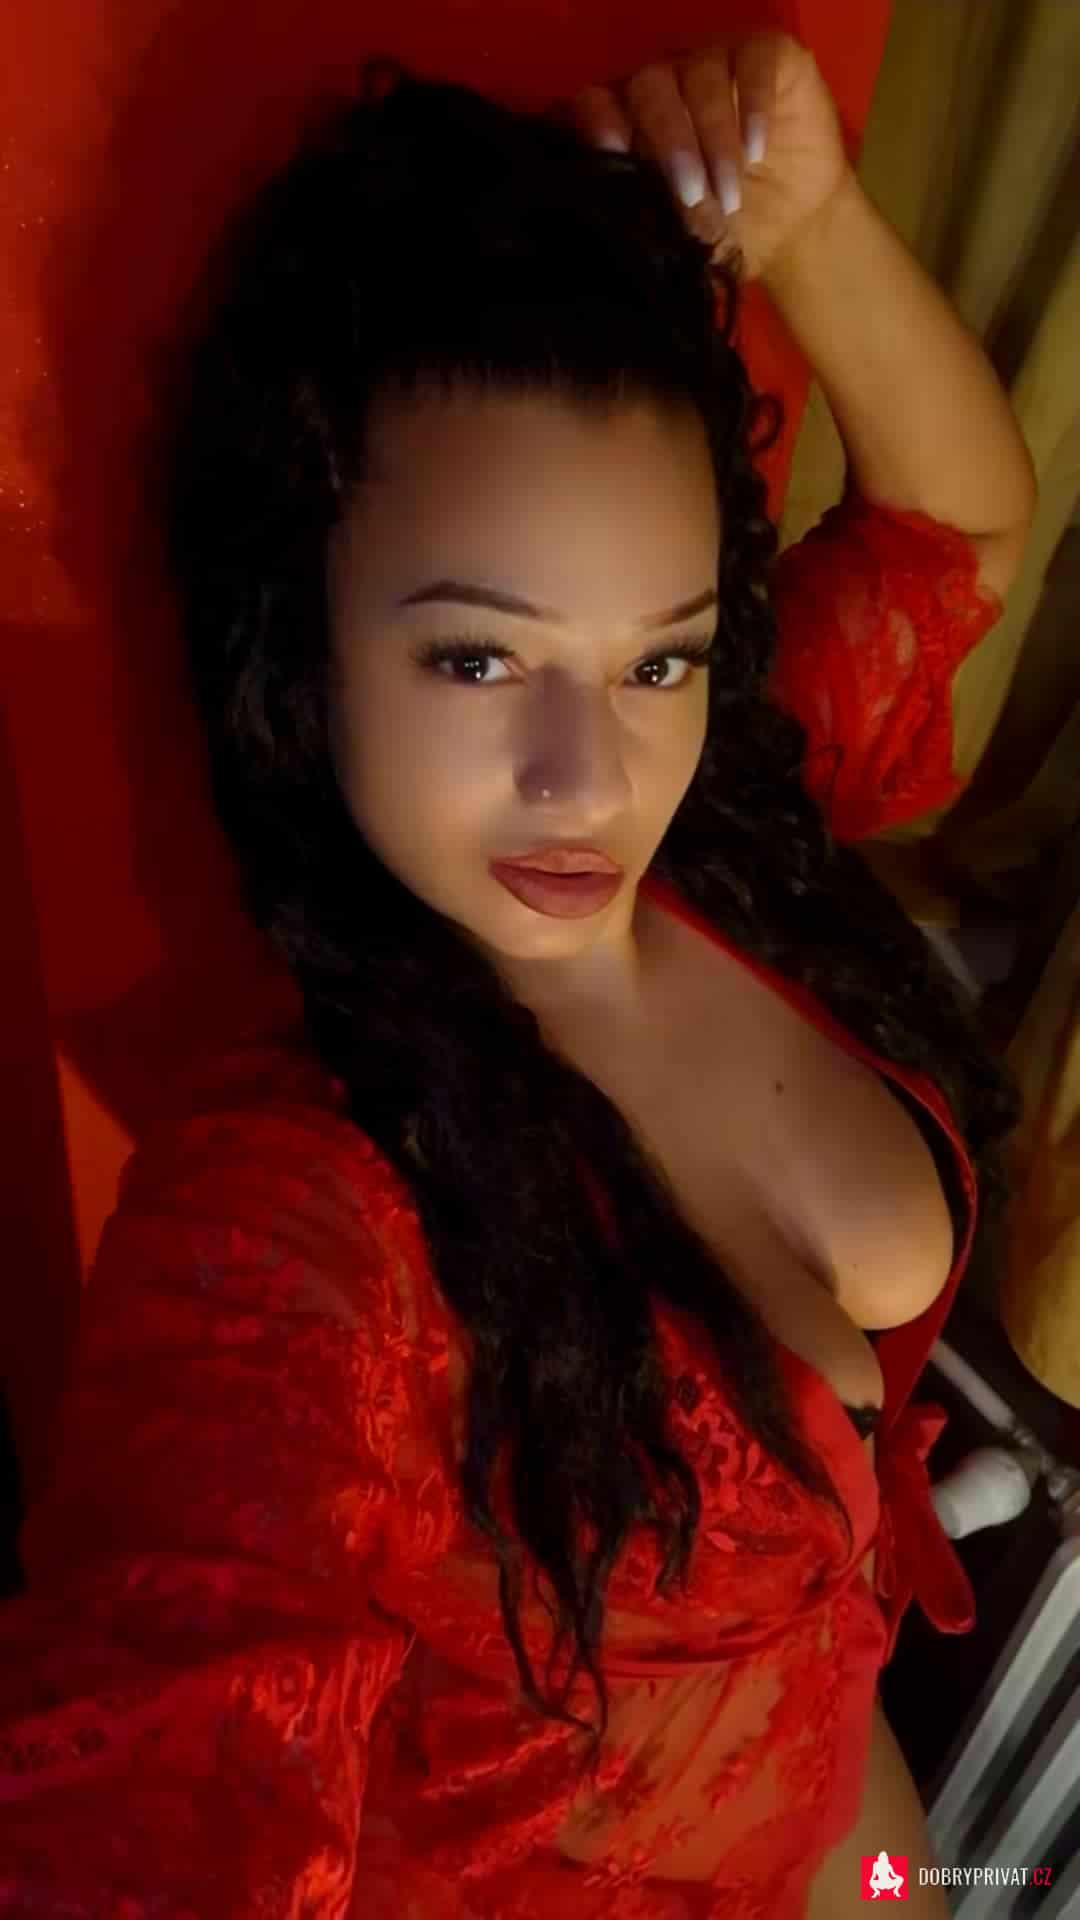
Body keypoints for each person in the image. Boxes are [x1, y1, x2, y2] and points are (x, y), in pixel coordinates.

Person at [0, 30, 1036, 1919]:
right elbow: (165, 1765)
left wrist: (811, 222)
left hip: (870, 1816)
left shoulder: (720, 836)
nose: (589, 781)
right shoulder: (298, 1223)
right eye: (478, 660)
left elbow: (951, 531)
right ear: (303, 653)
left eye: (659, 657)